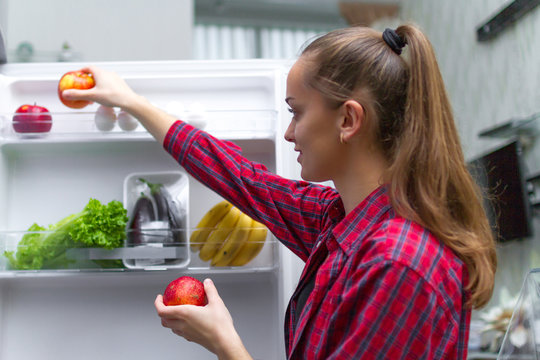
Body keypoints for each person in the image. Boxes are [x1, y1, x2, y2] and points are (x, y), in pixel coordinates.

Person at [62, 24, 497, 359]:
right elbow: (243, 179)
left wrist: (224, 342)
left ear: (349, 120)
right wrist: (132, 102)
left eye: (297, 113)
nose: (289, 133)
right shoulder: (345, 221)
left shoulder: (397, 263)